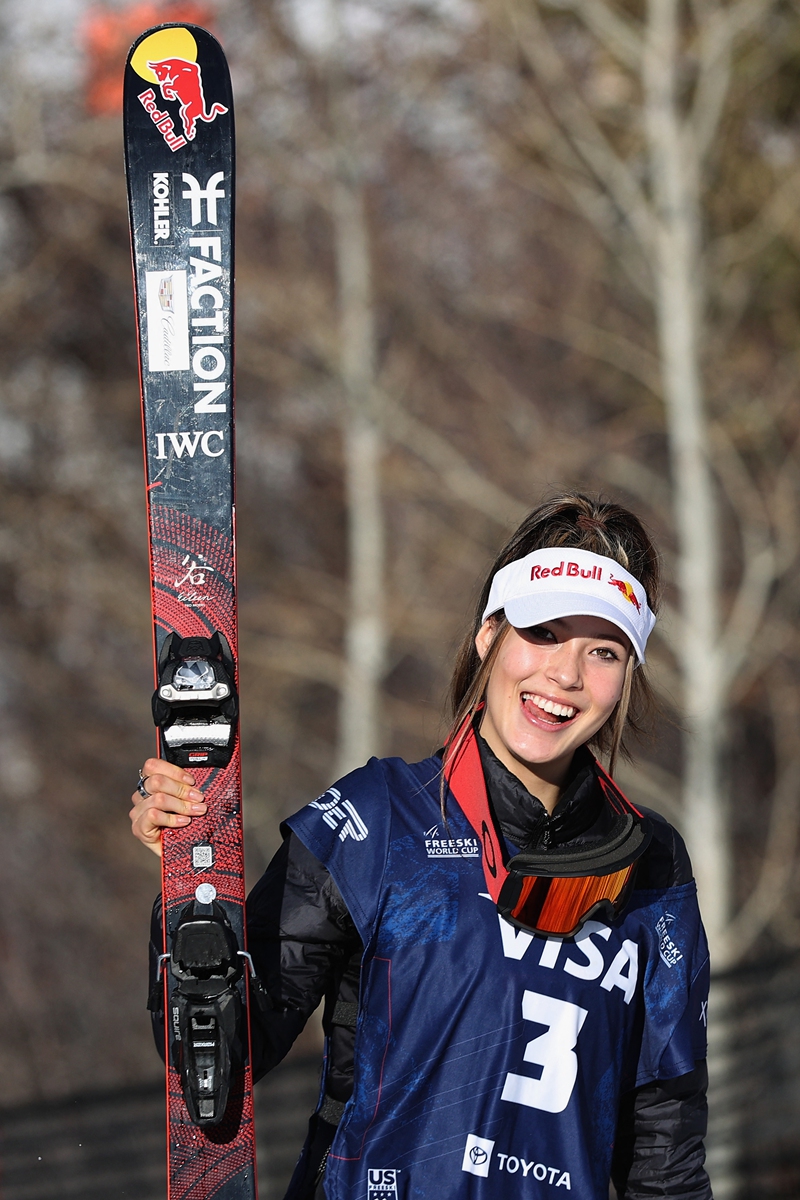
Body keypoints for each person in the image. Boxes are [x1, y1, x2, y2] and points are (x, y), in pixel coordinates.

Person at [131, 493, 712, 1200]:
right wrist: (193, 876)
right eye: (543, 632)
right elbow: (226, 1053)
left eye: (603, 651)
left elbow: (665, 1153)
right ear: (488, 635)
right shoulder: (378, 819)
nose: (565, 675)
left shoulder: (652, 867)